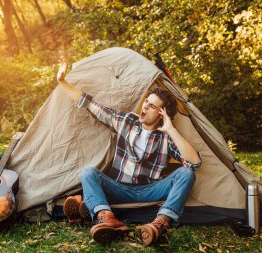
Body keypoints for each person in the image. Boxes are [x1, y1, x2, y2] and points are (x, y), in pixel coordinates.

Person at [57, 62, 202, 245]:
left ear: (161, 114)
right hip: (120, 188)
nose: (145, 107)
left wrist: (171, 130)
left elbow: (195, 163)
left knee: (186, 173)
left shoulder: (167, 137)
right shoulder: (127, 121)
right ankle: (107, 219)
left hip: (150, 190)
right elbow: (91, 105)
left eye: (152, 107)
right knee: (88, 173)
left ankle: (160, 224)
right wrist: (62, 81)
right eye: (146, 103)